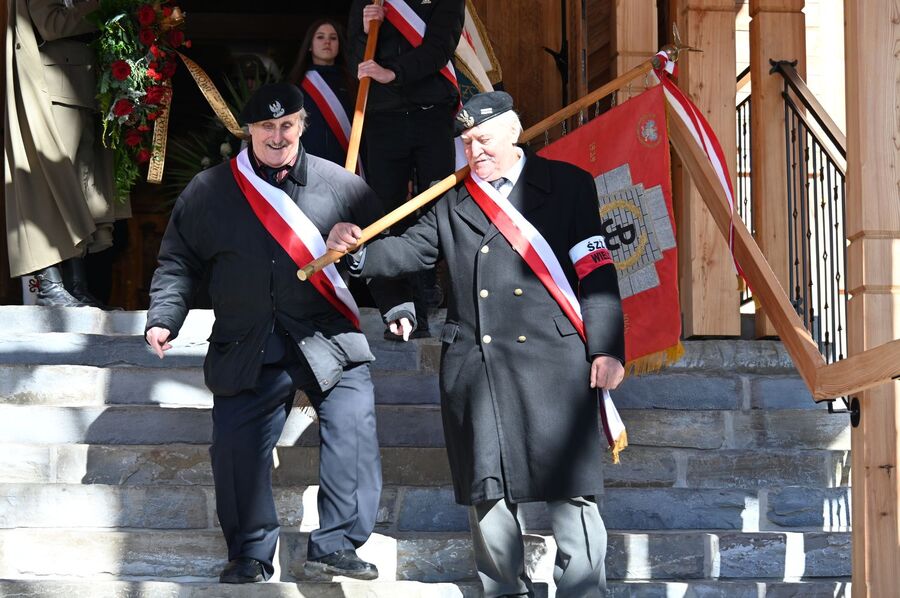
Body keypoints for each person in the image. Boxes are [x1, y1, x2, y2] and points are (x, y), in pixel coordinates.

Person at [327, 91, 626, 598]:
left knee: (571, 491)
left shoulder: (569, 186)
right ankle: (503, 590)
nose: (474, 151)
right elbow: (411, 251)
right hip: (478, 365)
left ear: (513, 132)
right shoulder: (451, 198)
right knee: (488, 490)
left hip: (554, 362)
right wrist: (356, 254)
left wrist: (607, 347)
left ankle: (583, 591)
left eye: (483, 138)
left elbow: (595, 272)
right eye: (466, 142)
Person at [145, 83, 414, 584]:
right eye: (266, 127)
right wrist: (164, 316)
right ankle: (249, 552)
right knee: (235, 449)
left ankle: (336, 545)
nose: (277, 135)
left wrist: (396, 301)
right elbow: (178, 261)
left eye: (286, 124)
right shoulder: (209, 190)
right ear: (248, 131)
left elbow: (380, 249)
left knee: (353, 426)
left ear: (302, 125)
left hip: (327, 336)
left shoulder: (341, 184)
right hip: (248, 340)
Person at [348, 0, 465, 338]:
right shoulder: (368, 1)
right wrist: (365, 29)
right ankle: (398, 307)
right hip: (384, 117)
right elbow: (356, 58)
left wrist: (394, 72)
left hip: (433, 112)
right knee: (384, 211)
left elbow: (440, 48)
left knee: (438, 207)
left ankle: (432, 293)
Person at [5, 0, 131, 307]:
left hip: (85, 84)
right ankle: (50, 286)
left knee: (83, 189)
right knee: (51, 186)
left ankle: (76, 284)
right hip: (55, 84)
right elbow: (51, 23)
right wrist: (106, 7)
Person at [288, 18, 357, 167]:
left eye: (333, 38)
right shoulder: (296, 84)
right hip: (308, 165)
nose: (327, 42)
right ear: (310, 46)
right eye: (320, 37)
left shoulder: (353, 82)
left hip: (346, 165)